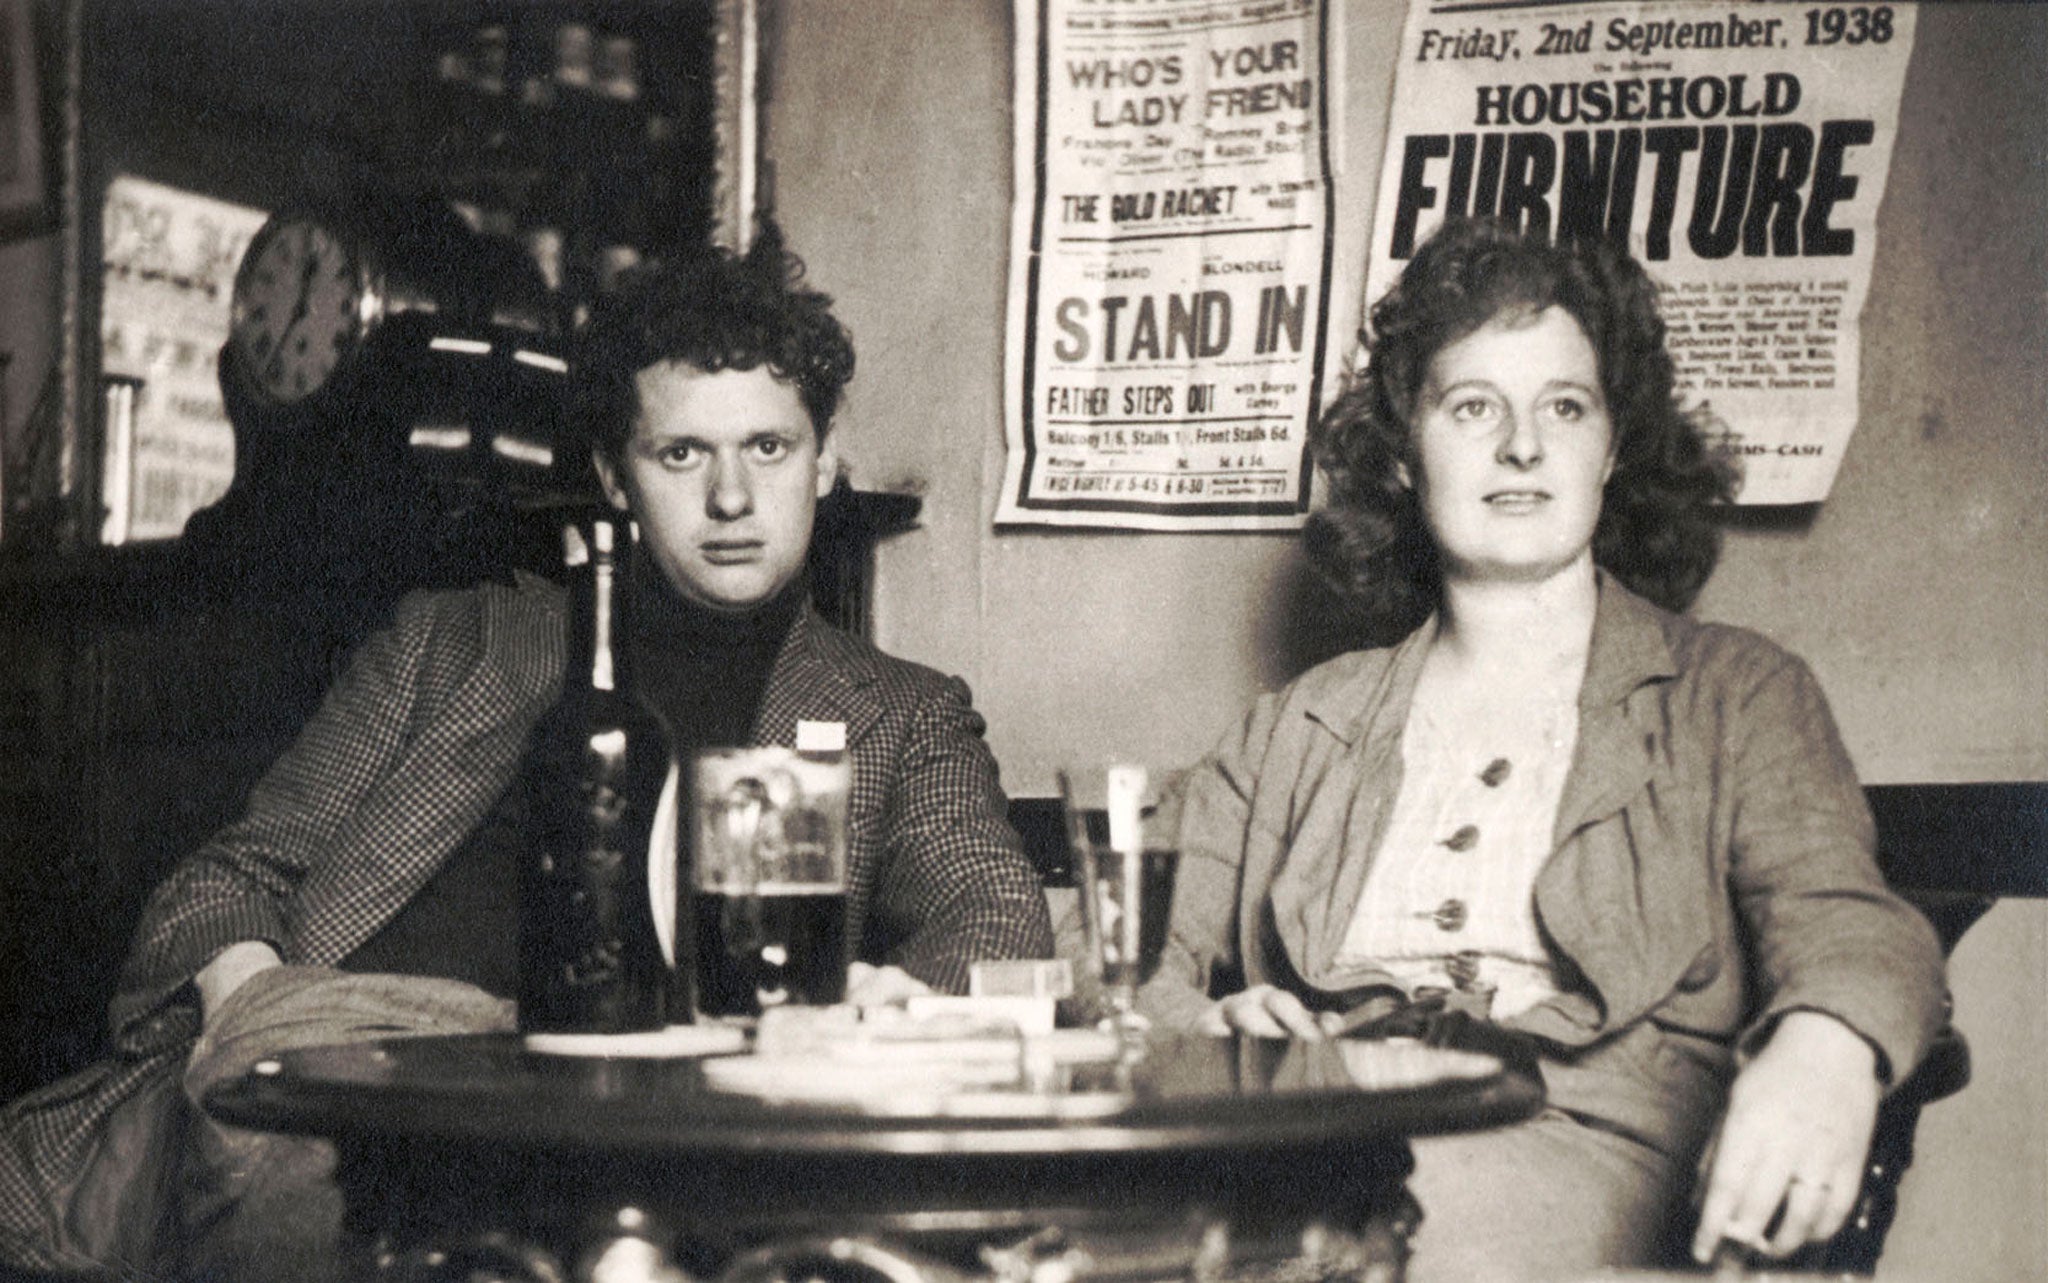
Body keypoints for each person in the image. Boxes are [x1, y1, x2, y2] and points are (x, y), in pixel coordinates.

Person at [0, 223, 1053, 1281]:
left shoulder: (897, 712)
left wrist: (873, 1015)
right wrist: (262, 1013)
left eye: (767, 448)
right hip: (342, 1071)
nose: (730, 498)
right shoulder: (449, 642)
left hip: (615, 1128)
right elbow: (226, 879)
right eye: (681, 452)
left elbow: (995, 918)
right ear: (613, 473)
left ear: (823, 462)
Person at [1136, 218, 1945, 1280]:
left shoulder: (1734, 693)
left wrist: (1827, 1046)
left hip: (1580, 1165)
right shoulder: (1301, 722)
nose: (1520, 444)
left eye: (1563, 406)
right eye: (1471, 406)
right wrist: (1204, 1028)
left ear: (1610, 446)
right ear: (1402, 448)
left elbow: (1846, 919)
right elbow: (1123, 942)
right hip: (1308, 1152)